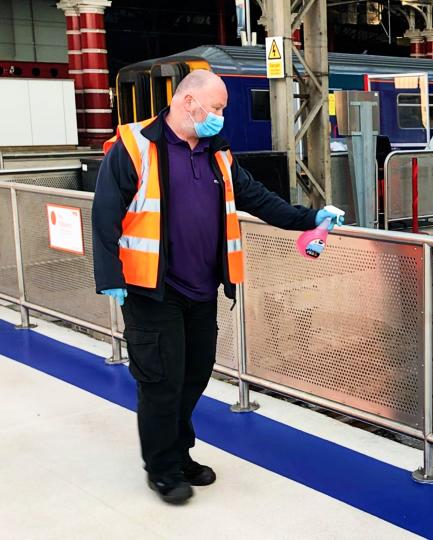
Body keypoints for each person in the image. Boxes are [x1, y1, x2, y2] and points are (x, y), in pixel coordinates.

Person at [92, 69, 343, 504]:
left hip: (201, 289)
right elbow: (105, 212)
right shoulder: (136, 146)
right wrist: (111, 277)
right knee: (160, 382)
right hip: (152, 289)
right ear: (189, 102)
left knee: (194, 375)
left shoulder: (217, 154)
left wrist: (309, 217)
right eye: (219, 107)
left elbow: (257, 198)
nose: (221, 117)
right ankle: (164, 469)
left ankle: (179, 452)